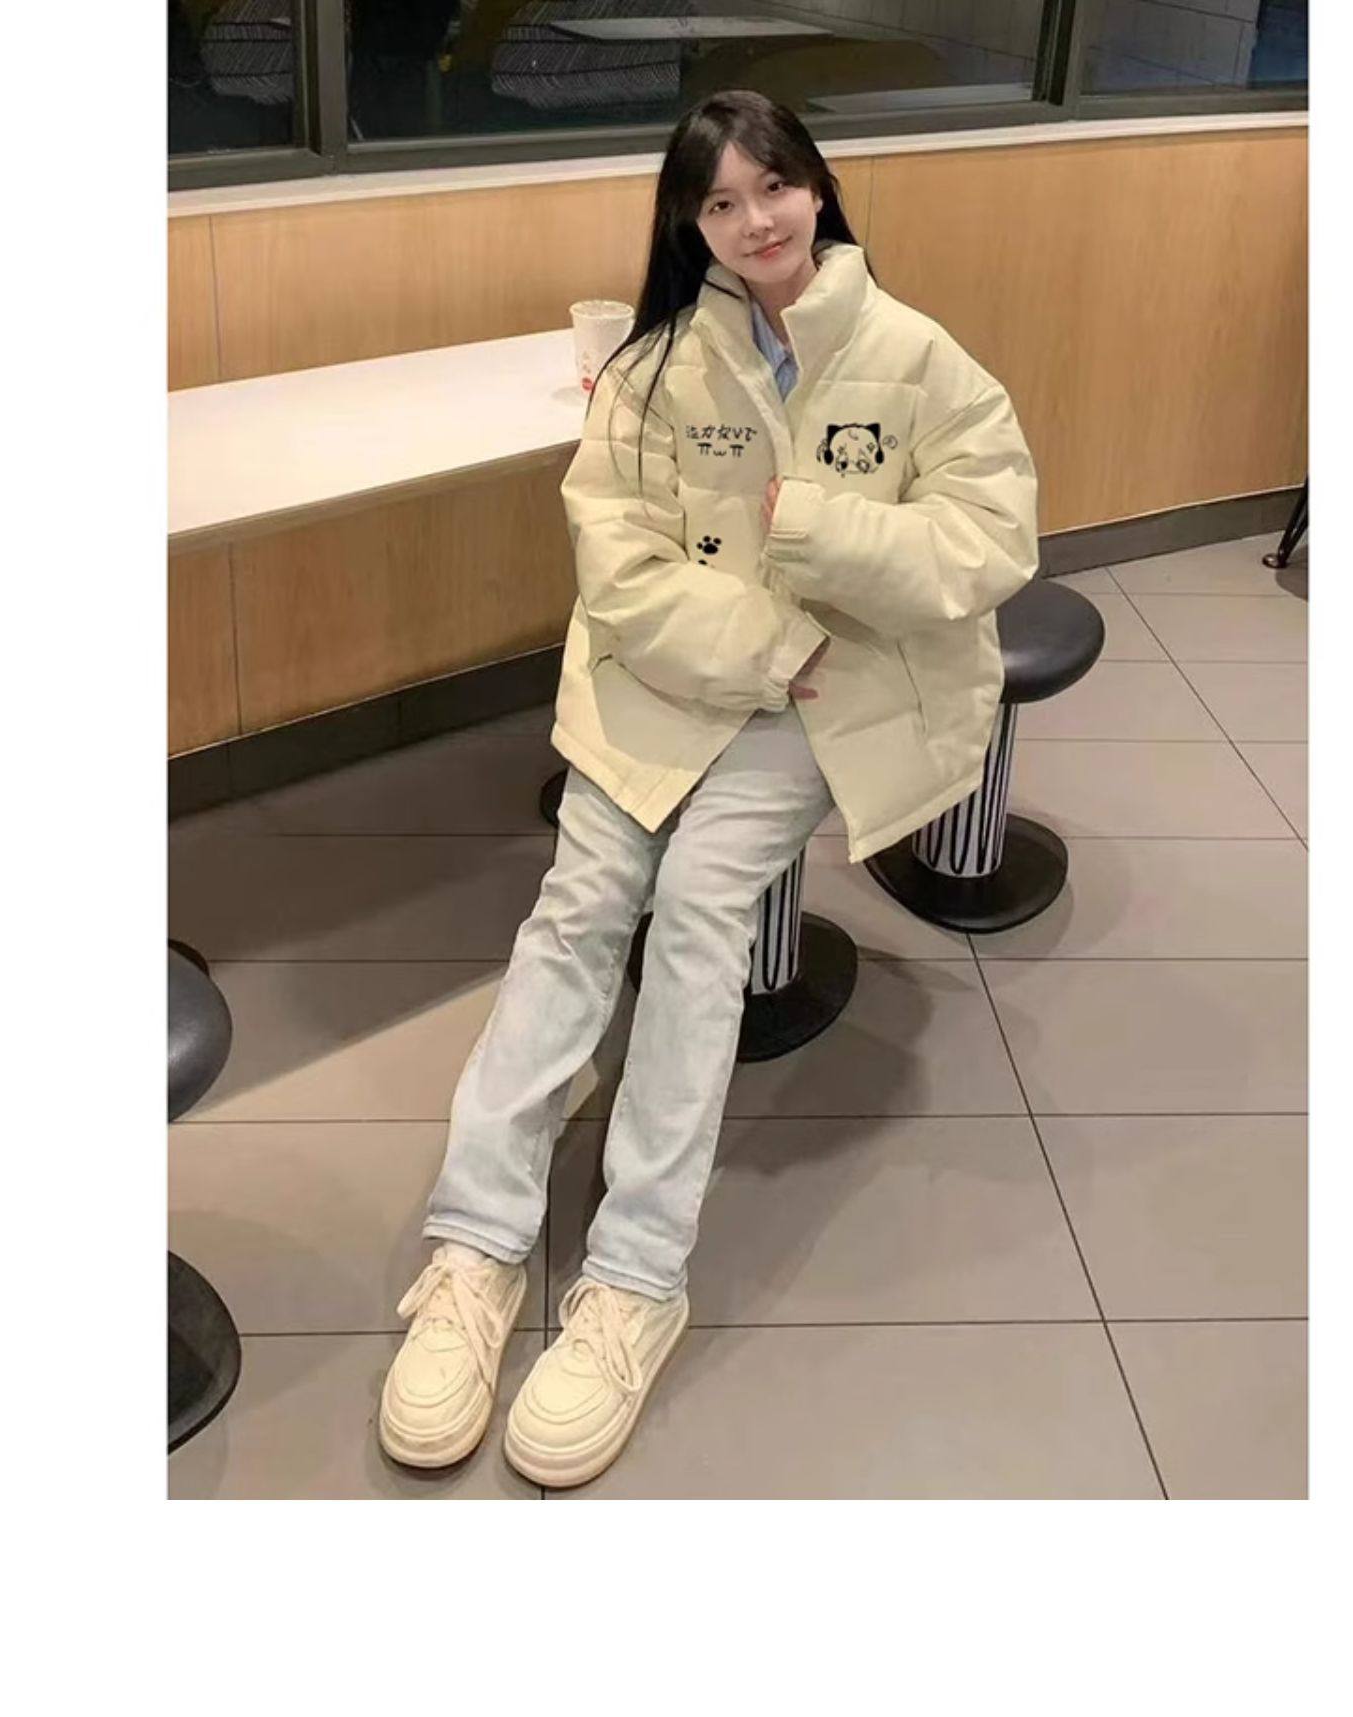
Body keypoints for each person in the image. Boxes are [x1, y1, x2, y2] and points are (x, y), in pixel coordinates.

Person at [378, 89, 1039, 1487]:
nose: (755, 221)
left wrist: (821, 532)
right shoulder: (651, 367)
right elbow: (615, 565)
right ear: (690, 222)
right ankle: (477, 1242)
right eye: (721, 201)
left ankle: (636, 1276)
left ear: (819, 187)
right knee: (577, 906)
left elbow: (994, 539)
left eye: (775, 186)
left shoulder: (917, 355)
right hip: (676, 682)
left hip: (820, 706)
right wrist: (770, 638)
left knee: (694, 916)